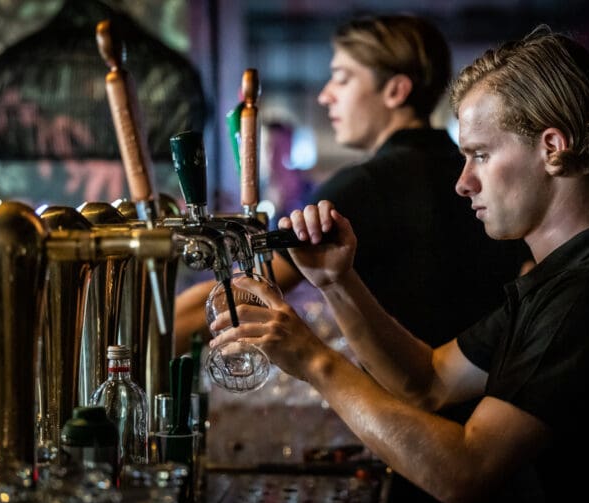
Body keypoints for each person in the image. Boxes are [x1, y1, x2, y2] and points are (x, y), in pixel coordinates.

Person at [209, 26, 589, 503]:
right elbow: (427, 382)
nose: (463, 183)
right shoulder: (558, 280)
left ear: (552, 148)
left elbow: (465, 474)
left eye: (481, 155)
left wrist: (313, 360)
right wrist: (339, 282)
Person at [174, 14, 527, 360]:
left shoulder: (366, 186)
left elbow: (244, 296)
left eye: (342, 79)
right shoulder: (474, 177)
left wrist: (151, 336)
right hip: (482, 382)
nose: (326, 96)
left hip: (408, 395)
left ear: (395, 90)